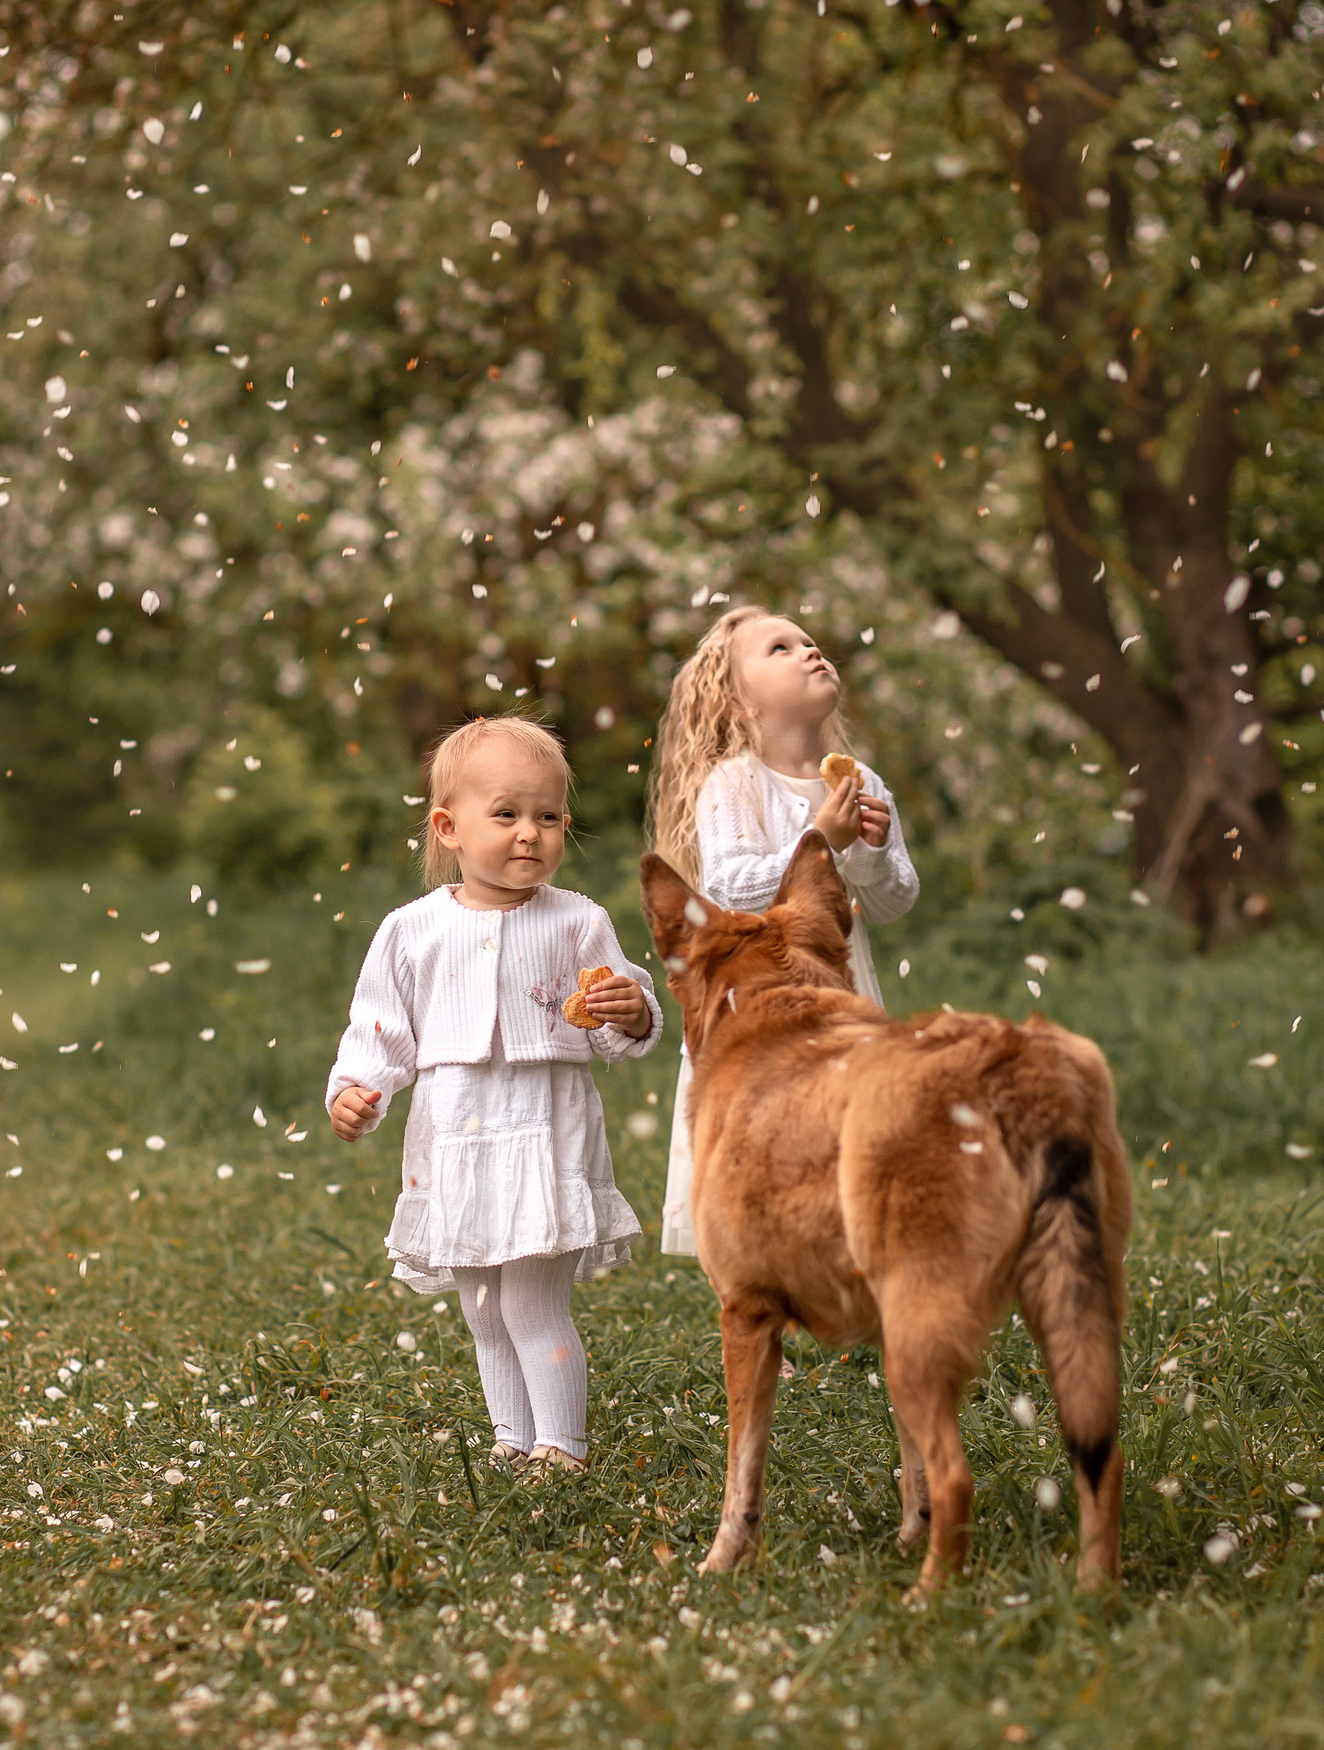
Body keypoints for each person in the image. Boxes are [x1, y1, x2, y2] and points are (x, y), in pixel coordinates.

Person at [327, 714, 662, 1471]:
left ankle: (562, 1446)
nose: (529, 834)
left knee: (532, 1303)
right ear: (449, 827)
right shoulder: (411, 930)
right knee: (483, 1308)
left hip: (546, 1133)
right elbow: (379, 1028)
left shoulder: (578, 920)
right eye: (506, 814)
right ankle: (512, 1439)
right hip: (455, 1136)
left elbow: (619, 1021)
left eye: (548, 817)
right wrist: (355, 1088)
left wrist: (631, 1011)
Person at [646, 604, 921, 1258]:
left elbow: (894, 900)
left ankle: (834, 1273)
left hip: (839, 984)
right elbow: (730, 889)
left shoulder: (861, 781)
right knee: (767, 1133)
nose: (810, 650)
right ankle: (765, 1279)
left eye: (809, 640)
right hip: (761, 998)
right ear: (738, 702)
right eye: (780, 648)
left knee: (839, 1131)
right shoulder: (735, 784)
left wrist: (867, 852)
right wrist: (820, 841)